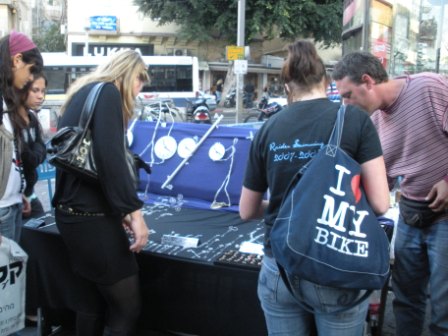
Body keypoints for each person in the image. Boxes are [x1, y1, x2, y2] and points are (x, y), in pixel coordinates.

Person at [239, 40, 389, 335]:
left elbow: (247, 210)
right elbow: (381, 203)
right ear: (326, 81)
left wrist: (287, 208)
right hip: (337, 262)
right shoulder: (353, 120)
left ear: (287, 86)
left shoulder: (268, 128)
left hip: (280, 264)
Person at [332, 51, 448, 336]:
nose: (345, 104)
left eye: (347, 95)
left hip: (445, 219)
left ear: (368, 82)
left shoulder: (429, 87)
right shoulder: (374, 123)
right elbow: (381, 181)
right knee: (406, 301)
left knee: (444, 311)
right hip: (411, 215)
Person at [52, 49, 150, 336]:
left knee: (89, 304)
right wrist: (135, 214)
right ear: (128, 73)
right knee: (127, 307)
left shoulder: (82, 92)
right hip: (91, 221)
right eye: (141, 79)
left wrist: (118, 210)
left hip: (71, 217)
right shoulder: (107, 92)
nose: (141, 87)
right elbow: (111, 162)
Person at [0, 30, 43, 244]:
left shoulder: (7, 102)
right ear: (17, 60)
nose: (30, 78)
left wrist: (18, 193)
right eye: (30, 70)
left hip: (13, 203)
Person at [17, 72, 47, 219]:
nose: (40, 96)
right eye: (35, 91)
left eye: (43, 91)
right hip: (13, 198)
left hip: (29, 193)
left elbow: (42, 149)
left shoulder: (33, 119)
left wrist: (36, 152)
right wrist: (37, 151)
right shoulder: (12, 122)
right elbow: (28, 158)